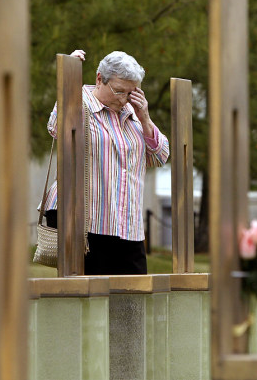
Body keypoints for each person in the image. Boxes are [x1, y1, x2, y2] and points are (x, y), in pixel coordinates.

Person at [42, 49, 170, 275]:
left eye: (131, 93)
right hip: (88, 223)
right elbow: (55, 127)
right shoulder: (78, 102)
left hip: (128, 225)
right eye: (119, 90)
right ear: (99, 78)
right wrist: (68, 79)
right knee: (90, 300)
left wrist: (145, 118)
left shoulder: (133, 115)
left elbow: (160, 156)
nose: (124, 99)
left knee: (133, 299)